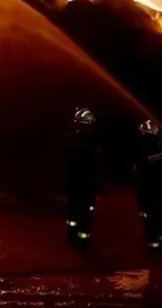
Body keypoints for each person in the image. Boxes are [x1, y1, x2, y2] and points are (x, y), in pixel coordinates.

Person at [65, 106, 99, 250]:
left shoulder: (70, 138)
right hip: (87, 183)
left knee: (73, 210)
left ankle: (73, 236)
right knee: (85, 211)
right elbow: (97, 164)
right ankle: (82, 240)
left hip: (74, 181)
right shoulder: (93, 142)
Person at [136, 119, 162, 251]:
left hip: (148, 192)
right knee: (161, 216)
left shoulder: (143, 152)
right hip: (160, 190)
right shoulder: (161, 149)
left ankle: (154, 245)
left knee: (150, 219)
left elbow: (140, 176)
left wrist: (141, 201)